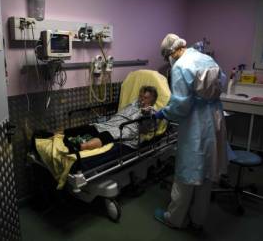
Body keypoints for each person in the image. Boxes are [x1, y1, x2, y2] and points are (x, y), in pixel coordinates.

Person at [153, 33, 228, 231]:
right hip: (215, 116)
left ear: (171, 52)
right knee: (205, 173)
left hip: (196, 122)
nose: (168, 60)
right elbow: (223, 80)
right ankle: (198, 221)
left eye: (166, 57)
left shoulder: (180, 66)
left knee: (187, 172)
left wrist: (164, 113)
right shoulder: (205, 58)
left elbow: (181, 105)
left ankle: (175, 218)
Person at [64, 85, 158, 152]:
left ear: (152, 100)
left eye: (145, 98)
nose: (142, 99)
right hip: (114, 122)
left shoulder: (152, 112)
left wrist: (146, 115)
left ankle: (79, 147)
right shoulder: (135, 103)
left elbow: (145, 131)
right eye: (141, 96)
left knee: (107, 134)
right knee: (92, 127)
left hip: (127, 129)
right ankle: (58, 135)